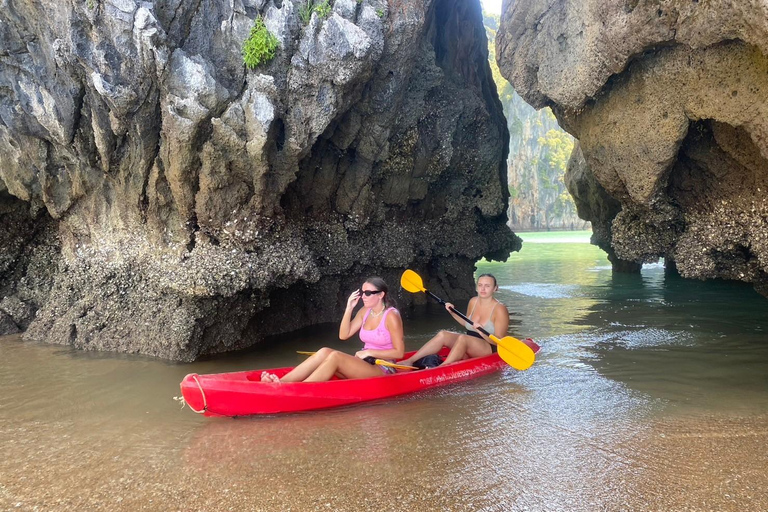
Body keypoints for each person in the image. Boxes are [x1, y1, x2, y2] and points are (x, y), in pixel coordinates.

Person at [261, 277, 405, 383]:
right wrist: (349, 308)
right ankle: (281, 382)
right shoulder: (364, 311)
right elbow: (344, 335)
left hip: (383, 369)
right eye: (362, 292)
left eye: (368, 293)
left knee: (335, 356)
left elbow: (399, 352)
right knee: (324, 351)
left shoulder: (392, 315)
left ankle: (300, 388)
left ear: (381, 295)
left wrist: (369, 352)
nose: (363, 296)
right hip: (364, 363)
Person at [400, 273, 509, 367]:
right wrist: (452, 312)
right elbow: (467, 324)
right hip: (469, 342)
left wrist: (481, 331)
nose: (483, 289)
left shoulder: (500, 309)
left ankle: (442, 367)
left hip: (488, 348)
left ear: (495, 288)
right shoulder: (473, 301)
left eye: (487, 286)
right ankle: (410, 361)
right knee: (443, 334)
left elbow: (499, 341)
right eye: (480, 285)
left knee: (463, 338)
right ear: (476, 287)